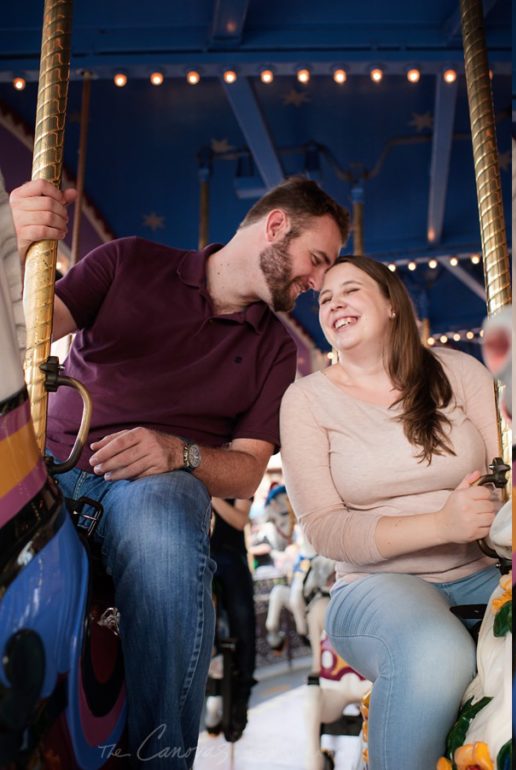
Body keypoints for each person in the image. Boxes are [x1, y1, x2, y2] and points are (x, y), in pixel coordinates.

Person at [10, 176, 348, 767]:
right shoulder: (130, 260)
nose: (317, 282)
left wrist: (179, 453)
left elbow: (246, 472)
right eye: (316, 260)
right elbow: (28, 323)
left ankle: (159, 755)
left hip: (153, 492)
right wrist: (13, 241)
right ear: (275, 227)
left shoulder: (274, 349)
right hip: (57, 466)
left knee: (164, 518)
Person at [279, 255, 500, 770]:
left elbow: (502, 478)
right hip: (374, 585)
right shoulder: (306, 400)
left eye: (350, 291)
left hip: (481, 571)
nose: (333, 304)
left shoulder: (459, 371)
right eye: (325, 298)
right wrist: (441, 525)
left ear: (391, 304)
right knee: (435, 653)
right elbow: (325, 529)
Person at [207, 497, 256, 742]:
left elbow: (239, 520)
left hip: (231, 555)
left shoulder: (239, 478)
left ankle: (241, 699)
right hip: (204, 554)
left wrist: (213, 493)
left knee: (243, 620)